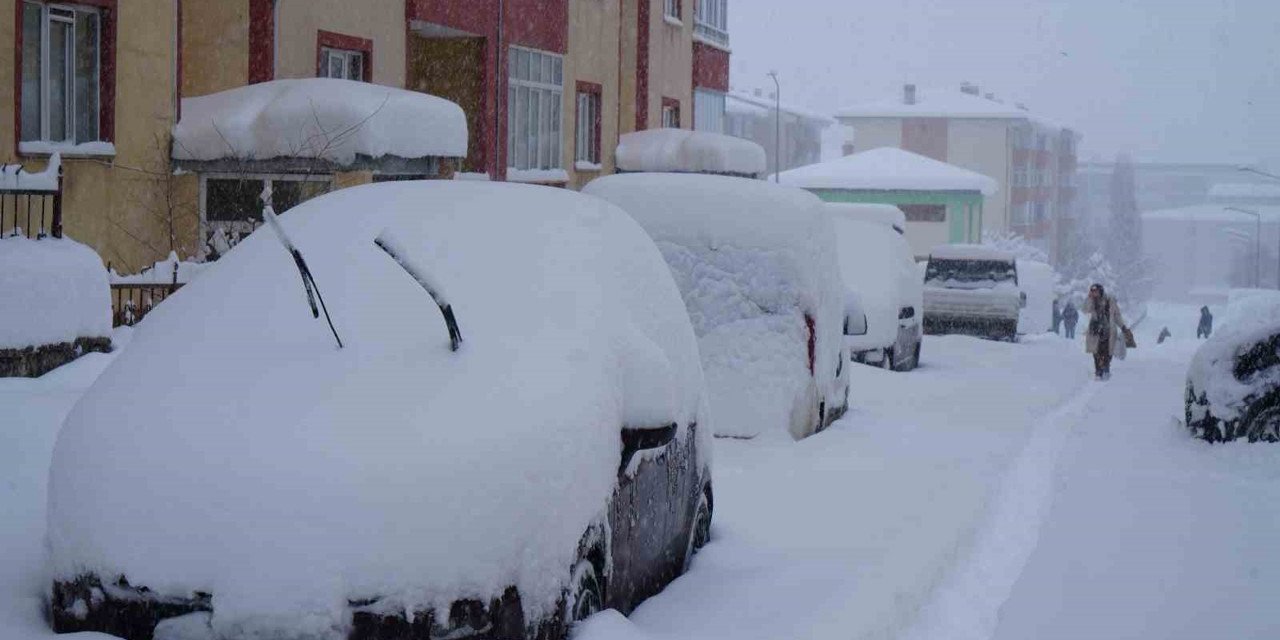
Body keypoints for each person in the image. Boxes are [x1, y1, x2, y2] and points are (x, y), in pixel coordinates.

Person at [1084, 283, 1128, 380]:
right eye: (1092, 292)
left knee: (1107, 352)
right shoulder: (1092, 301)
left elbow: (1117, 315)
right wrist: (1089, 298)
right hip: (1095, 332)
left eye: (1096, 291)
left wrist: (1123, 326)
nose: (1094, 294)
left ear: (1100, 291)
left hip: (1109, 331)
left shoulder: (1110, 300)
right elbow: (1085, 309)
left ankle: (1106, 370)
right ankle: (1098, 372)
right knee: (1096, 352)